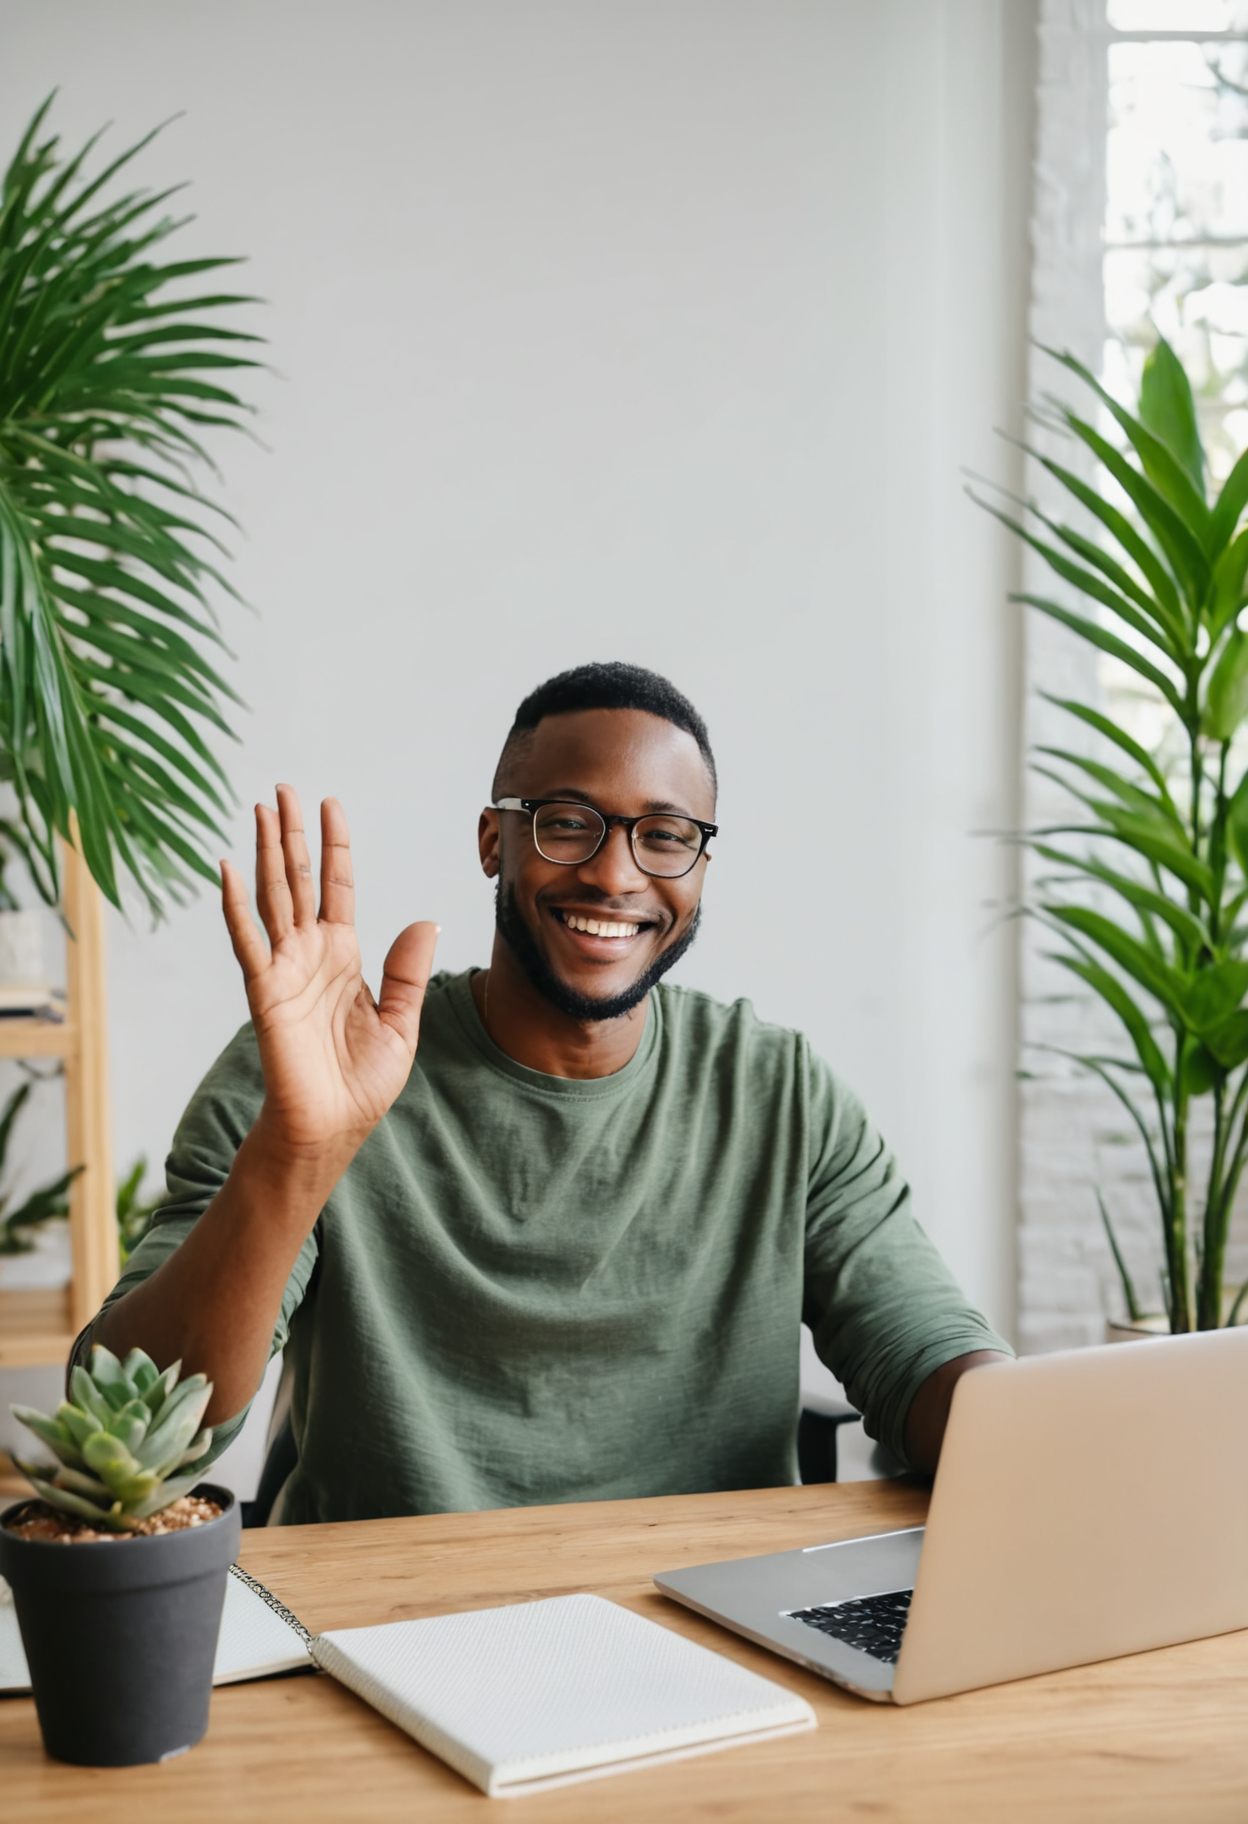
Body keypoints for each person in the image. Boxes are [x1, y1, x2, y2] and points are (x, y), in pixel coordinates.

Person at [91, 662, 1009, 1523]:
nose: (615, 874)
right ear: (497, 841)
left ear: (699, 868)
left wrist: (1037, 1430)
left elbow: (922, 1356)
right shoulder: (317, 1071)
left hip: (714, 1629)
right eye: (569, 821)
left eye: (666, 836)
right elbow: (133, 1431)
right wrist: (295, 1153)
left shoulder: (776, 1092)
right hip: (386, 1624)